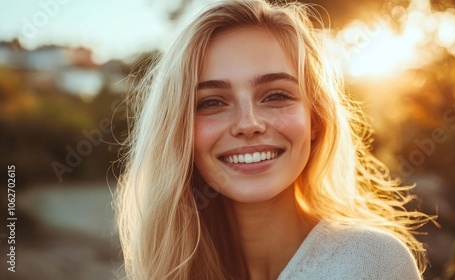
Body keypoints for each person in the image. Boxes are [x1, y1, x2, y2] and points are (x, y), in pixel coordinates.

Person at [114, 0, 433, 279]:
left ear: (315, 121)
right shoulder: (168, 269)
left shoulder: (372, 265)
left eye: (276, 96)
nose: (248, 124)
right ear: (179, 131)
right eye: (212, 102)